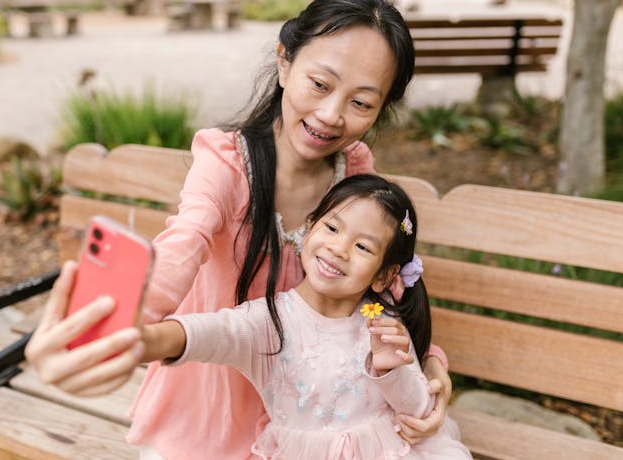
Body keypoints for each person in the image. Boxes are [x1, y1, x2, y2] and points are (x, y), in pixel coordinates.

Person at [25, 0, 453, 458]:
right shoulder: (228, 163)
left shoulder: (354, 171)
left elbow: (384, 281)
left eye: (362, 103)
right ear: (285, 62)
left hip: (319, 410)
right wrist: (116, 333)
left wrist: (430, 364)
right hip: (215, 400)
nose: (331, 116)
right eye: (320, 84)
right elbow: (183, 243)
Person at [136, 174, 470, 459]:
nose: (339, 249)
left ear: (384, 275)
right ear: (309, 229)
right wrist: (140, 341)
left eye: (363, 247)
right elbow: (205, 333)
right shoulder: (268, 322)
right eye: (333, 228)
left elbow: (418, 410)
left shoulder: (381, 318)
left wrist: (391, 371)